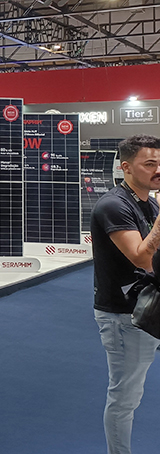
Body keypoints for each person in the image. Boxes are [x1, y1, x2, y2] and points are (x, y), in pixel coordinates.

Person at [91, 135, 160, 454]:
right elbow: (142, 258)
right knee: (125, 398)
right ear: (126, 167)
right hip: (125, 316)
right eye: (150, 164)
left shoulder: (149, 203)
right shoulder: (114, 205)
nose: (158, 170)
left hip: (149, 308)